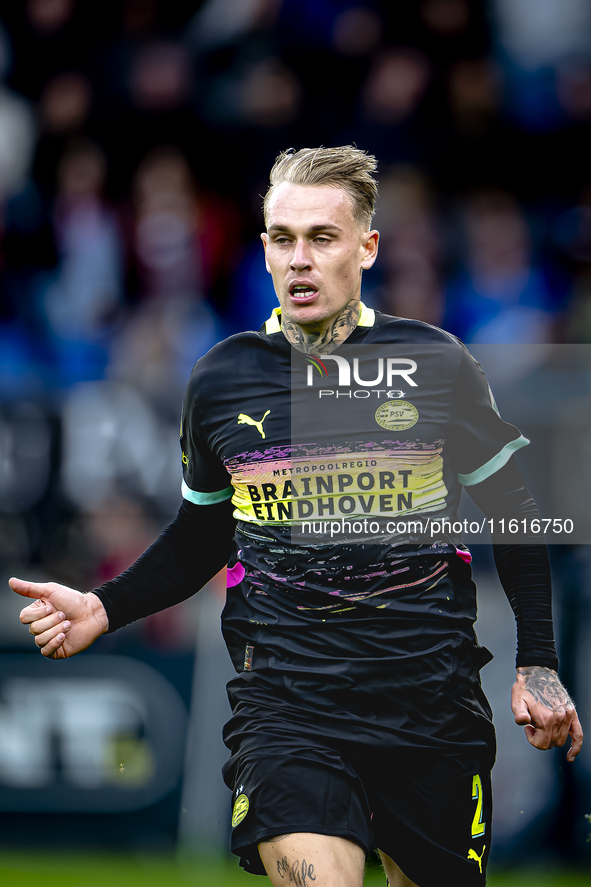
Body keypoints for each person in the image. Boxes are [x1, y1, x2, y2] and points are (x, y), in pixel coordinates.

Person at [11, 146, 583, 887]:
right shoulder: (221, 376)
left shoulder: (434, 364)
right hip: (288, 705)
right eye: (283, 238)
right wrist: (103, 603)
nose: (300, 259)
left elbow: (516, 510)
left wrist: (536, 663)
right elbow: (203, 531)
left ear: (366, 246)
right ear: (263, 249)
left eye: (322, 236)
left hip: (428, 704)